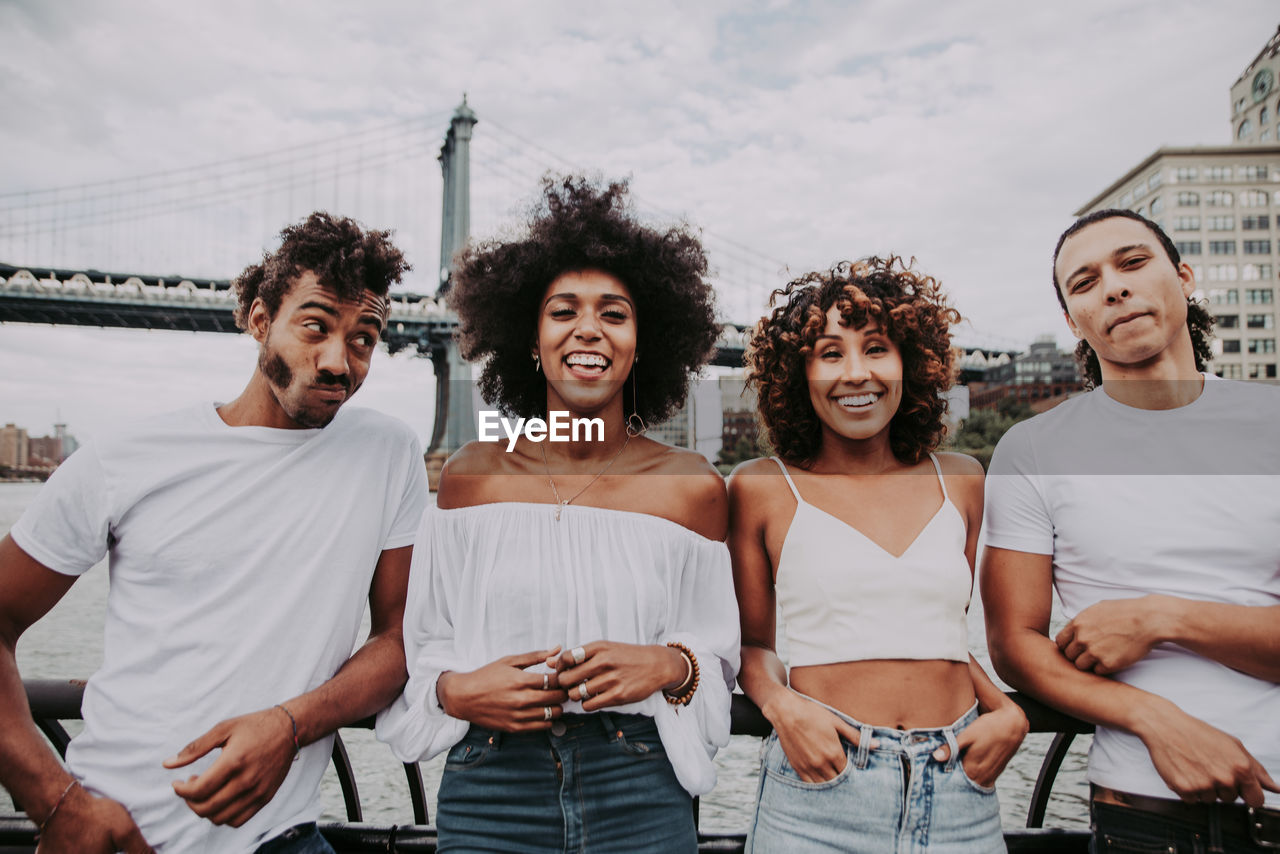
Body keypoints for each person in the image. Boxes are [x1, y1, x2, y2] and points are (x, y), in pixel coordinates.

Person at [0, 212, 428, 853]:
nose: (340, 361)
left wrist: (288, 727)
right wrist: (58, 806)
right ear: (260, 320)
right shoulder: (129, 457)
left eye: (363, 338)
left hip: (280, 839)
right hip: (117, 834)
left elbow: (399, 640)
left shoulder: (388, 453)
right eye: (315, 326)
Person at [376, 176, 739, 853]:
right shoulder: (469, 478)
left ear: (642, 341)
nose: (588, 330)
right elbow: (423, 644)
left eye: (614, 313)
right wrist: (456, 692)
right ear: (530, 338)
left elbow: (719, 660)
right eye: (562, 310)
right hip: (492, 786)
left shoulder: (691, 487)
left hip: (640, 782)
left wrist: (669, 664)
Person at [982, 209, 1280, 852]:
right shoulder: (1032, 449)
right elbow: (1013, 644)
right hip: (1140, 816)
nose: (1113, 287)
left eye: (1132, 263)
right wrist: (1155, 719)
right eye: (1084, 283)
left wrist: (1159, 618)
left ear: (1183, 275)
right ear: (1073, 322)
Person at [729, 257, 1027, 854]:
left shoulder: (964, 479)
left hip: (960, 783)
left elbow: (940, 635)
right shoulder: (759, 487)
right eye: (830, 354)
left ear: (910, 364)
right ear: (798, 373)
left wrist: (1007, 715)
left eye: (876, 349)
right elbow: (751, 647)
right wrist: (784, 710)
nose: (856, 373)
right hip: (820, 786)